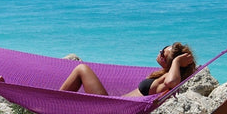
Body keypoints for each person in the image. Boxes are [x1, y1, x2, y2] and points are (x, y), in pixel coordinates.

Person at [59, 42, 196, 97]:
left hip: (112, 111)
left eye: (163, 54)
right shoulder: (163, 75)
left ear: (170, 63)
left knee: (82, 68)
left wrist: (177, 62)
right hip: (115, 106)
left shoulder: (167, 79)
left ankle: (52, 102)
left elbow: (172, 82)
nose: (159, 52)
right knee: (76, 62)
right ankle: (55, 102)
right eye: (162, 49)